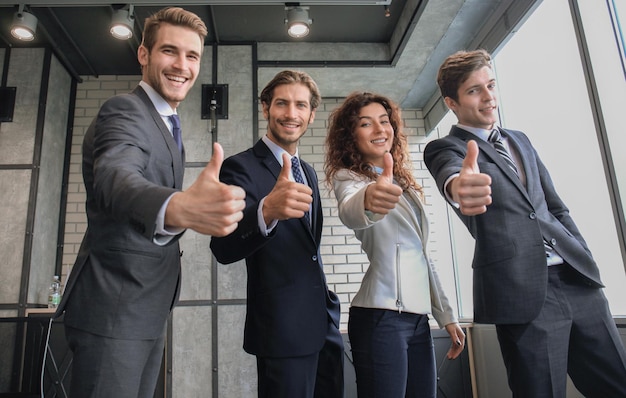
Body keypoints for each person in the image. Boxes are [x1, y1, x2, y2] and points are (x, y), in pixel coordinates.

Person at [55, 7, 246, 398]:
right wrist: (177, 207)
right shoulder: (125, 111)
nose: (182, 65)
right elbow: (116, 178)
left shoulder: (166, 123)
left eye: (192, 56)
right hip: (114, 309)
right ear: (143, 54)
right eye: (169, 52)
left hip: (145, 308)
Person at [424, 49, 626, 397]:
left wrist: (584, 256)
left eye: (491, 85)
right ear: (451, 102)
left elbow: (554, 208)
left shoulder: (519, 140)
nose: (489, 97)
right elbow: (452, 177)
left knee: (616, 384)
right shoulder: (446, 147)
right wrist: (460, 188)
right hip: (522, 293)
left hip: (578, 282)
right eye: (474, 90)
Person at [210, 70, 344, 398]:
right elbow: (222, 248)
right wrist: (266, 211)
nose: (291, 113)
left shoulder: (308, 172)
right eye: (282, 103)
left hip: (323, 326)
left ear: (311, 115)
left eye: (301, 105)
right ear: (266, 108)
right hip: (281, 330)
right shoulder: (239, 167)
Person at [324, 91, 465, 398]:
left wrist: (447, 316)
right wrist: (371, 201)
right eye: (365, 124)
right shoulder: (350, 179)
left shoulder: (403, 184)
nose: (379, 129)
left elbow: (421, 257)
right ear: (351, 136)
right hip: (380, 317)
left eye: (384, 121)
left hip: (417, 320)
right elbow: (352, 210)